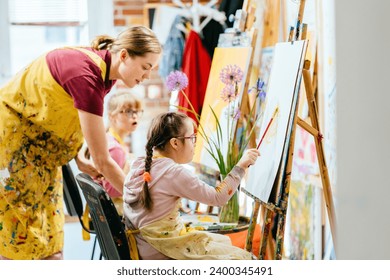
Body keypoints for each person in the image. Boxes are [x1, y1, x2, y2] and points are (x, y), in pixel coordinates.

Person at [0, 25, 161, 260]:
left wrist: (78, 154)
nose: (147, 75)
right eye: (146, 67)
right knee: (19, 234)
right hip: (15, 144)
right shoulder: (86, 75)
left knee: (48, 236)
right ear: (124, 55)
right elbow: (103, 161)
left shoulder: (107, 74)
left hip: (43, 152)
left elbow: (75, 116)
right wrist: (142, 201)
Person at [123, 112, 260, 260]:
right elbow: (218, 198)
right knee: (244, 259)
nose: (195, 143)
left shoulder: (139, 164)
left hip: (143, 248)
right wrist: (241, 166)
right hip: (161, 251)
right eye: (192, 138)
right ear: (175, 143)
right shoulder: (172, 172)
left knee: (221, 241)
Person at [79, 91, 143, 215]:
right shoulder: (115, 148)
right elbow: (112, 189)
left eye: (137, 111)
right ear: (112, 116)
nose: (135, 116)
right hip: (112, 211)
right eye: (129, 111)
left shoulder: (110, 140)